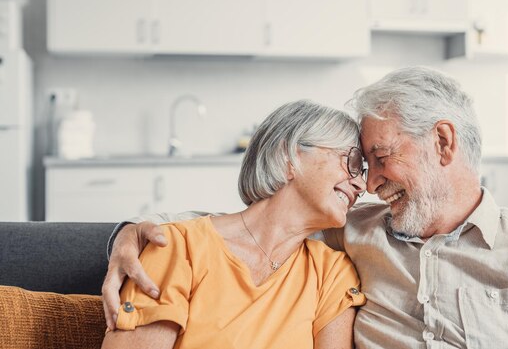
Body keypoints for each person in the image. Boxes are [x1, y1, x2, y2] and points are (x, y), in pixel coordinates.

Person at [104, 66, 508, 348]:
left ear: (443, 143)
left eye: (378, 160)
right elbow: (238, 230)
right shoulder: (354, 234)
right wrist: (135, 231)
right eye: (359, 164)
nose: (369, 185)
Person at [101, 100, 367, 349]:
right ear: (288, 157)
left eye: (363, 171)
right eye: (351, 162)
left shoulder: (332, 273)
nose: (361, 184)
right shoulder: (177, 248)